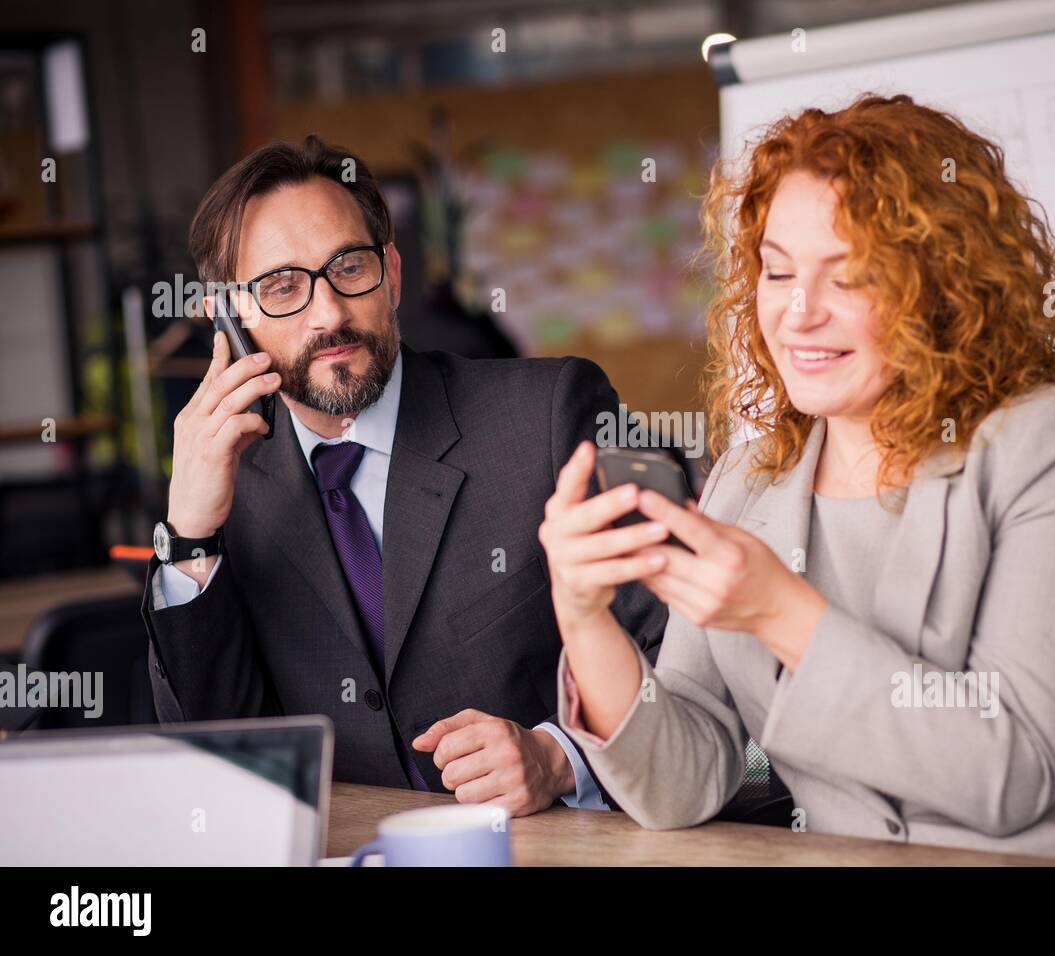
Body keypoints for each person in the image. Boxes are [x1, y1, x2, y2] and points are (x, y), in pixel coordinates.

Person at [538, 93, 1055, 864]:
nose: (798, 313)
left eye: (850, 277)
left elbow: (1011, 772)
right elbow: (680, 784)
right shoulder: (751, 474)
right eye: (777, 271)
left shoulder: (1054, 441)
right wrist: (584, 613)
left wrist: (779, 611)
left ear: (942, 286)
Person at [140, 135, 665, 815]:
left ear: (390, 273)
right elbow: (218, 757)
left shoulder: (551, 413)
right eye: (282, 288)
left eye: (349, 268)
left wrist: (561, 757)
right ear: (232, 318)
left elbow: (690, 660)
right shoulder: (224, 483)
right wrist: (188, 537)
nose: (328, 314)